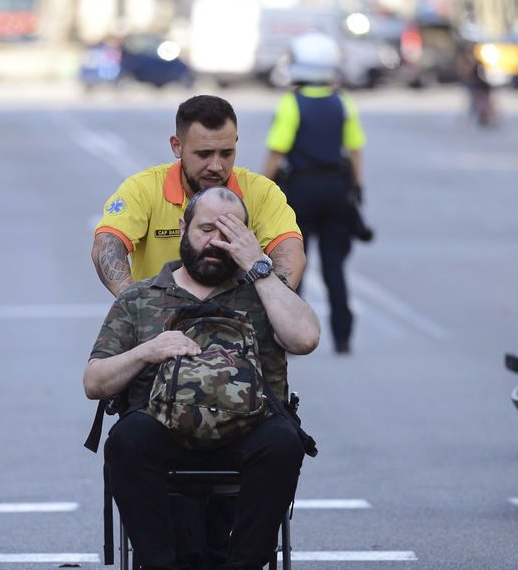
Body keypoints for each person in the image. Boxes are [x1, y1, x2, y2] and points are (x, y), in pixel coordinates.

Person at [84, 186, 320, 570]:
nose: (216, 242)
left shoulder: (262, 291)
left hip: (248, 426)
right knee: (126, 441)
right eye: (207, 229)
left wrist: (258, 266)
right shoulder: (140, 298)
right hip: (164, 426)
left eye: (230, 233)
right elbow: (94, 382)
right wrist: (148, 350)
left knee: (283, 443)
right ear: (183, 228)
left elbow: (306, 338)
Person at [92, 94, 306, 297]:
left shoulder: (261, 192)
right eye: (204, 154)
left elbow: (290, 254)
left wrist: (266, 307)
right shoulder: (142, 189)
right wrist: (138, 307)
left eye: (226, 153)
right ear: (177, 146)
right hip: (160, 328)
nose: (216, 166)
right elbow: (107, 245)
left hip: (236, 326)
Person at [262, 32, 367, 355]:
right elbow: (354, 150)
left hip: (301, 191)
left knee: (295, 262)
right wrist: (357, 187)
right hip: (336, 190)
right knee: (335, 267)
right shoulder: (342, 101)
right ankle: (343, 336)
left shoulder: (292, 103)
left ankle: (293, 333)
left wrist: (262, 190)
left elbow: (277, 151)